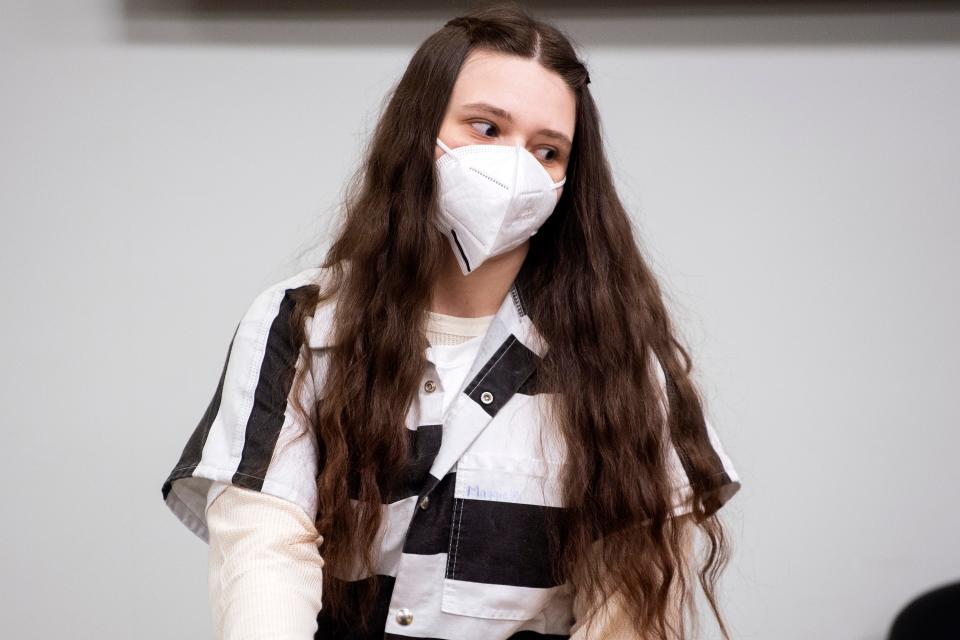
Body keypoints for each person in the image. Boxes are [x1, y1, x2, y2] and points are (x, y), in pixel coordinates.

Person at [160, 3, 742, 639]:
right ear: (419, 132)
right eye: (487, 129)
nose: (516, 169)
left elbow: (630, 606)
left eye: (547, 150)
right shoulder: (300, 323)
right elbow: (264, 553)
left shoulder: (621, 358)